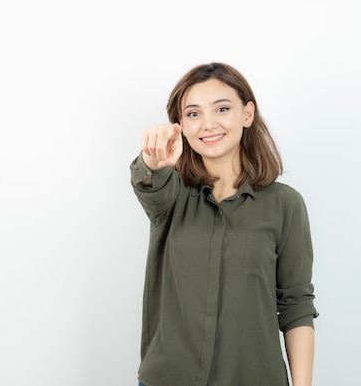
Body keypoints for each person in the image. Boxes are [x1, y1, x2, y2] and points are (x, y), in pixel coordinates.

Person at [129, 62, 319, 386]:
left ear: (247, 115)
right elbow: (149, 184)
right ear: (181, 126)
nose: (208, 123)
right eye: (193, 114)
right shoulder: (171, 195)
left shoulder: (285, 205)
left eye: (222, 108)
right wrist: (152, 160)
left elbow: (296, 305)